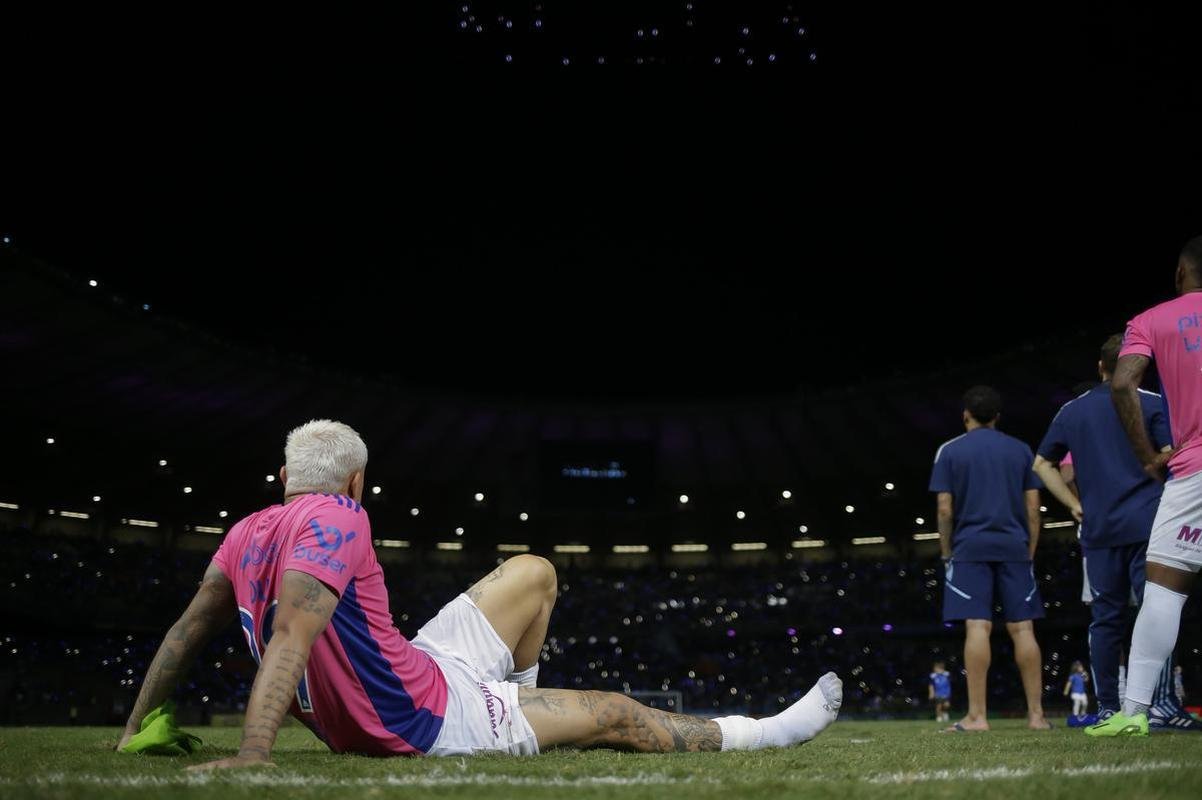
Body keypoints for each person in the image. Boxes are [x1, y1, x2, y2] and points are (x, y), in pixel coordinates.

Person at [118, 419, 843, 767]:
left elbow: (187, 632)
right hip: (424, 717)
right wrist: (254, 751)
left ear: (285, 478)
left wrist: (134, 728)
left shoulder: (244, 531)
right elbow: (292, 638)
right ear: (356, 483)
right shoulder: (342, 515)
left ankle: (519, 705)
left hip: (421, 668)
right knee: (617, 713)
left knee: (534, 571)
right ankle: (767, 729)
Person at [1090, 235, 1202, 737]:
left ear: (1181, 271)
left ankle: (1134, 712)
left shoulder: (1152, 320)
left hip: (1194, 469)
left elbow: (1121, 382)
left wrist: (1147, 458)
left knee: (1163, 588)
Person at [1033, 335, 1172, 721]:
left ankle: (1109, 707)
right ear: (1138, 367)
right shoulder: (1154, 404)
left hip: (1100, 530)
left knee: (1106, 620)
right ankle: (1155, 707)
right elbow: (1169, 456)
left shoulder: (1072, 412)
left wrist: (1076, 505)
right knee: (1157, 611)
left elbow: (1042, 465)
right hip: (1149, 525)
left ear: (1100, 366)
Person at [929, 386, 1050, 732]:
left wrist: (947, 552)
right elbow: (1032, 508)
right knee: (1023, 628)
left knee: (977, 626)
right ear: (997, 417)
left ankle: (977, 717)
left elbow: (944, 509)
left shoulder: (950, 451)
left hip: (970, 548)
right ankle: (1037, 716)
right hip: (1014, 546)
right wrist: (1029, 551)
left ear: (965, 414)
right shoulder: (1021, 450)